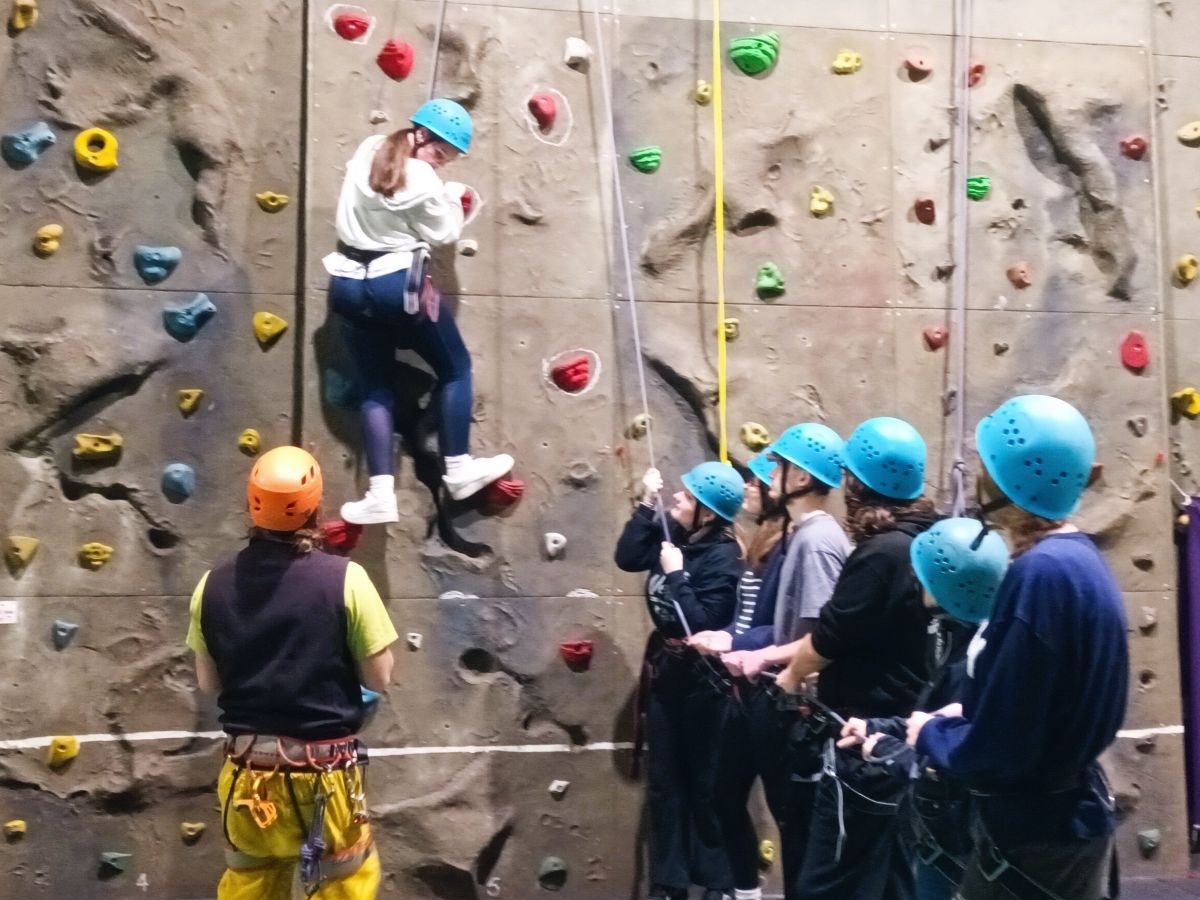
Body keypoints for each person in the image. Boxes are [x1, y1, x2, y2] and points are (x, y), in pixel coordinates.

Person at [908, 395, 1128, 900]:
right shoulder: (1079, 561)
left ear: (1015, 478)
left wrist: (931, 735)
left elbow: (1005, 742)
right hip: (1066, 817)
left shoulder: (1041, 575)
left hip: (1035, 832)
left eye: (987, 464)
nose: (979, 474)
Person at [186, 446, 399, 899]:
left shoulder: (211, 586)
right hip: (323, 776)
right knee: (345, 885)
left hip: (247, 775)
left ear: (251, 505)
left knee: (250, 885)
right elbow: (379, 678)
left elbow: (208, 683)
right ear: (315, 508)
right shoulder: (347, 580)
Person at [324, 98, 513, 523]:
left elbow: (382, 198)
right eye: (441, 152)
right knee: (456, 368)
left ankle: (379, 495)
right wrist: (452, 196)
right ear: (423, 136)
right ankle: (460, 471)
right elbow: (444, 232)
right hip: (396, 286)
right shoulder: (426, 178)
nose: (441, 163)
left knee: (375, 386)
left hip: (347, 285)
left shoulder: (368, 147)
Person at [688, 424, 852, 900]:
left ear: (800, 479)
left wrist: (756, 654)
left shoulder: (816, 541)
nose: (767, 475)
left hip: (792, 703)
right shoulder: (802, 537)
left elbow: (817, 640)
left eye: (778, 466)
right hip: (773, 693)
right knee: (734, 795)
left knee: (793, 821)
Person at [776, 416, 937, 900]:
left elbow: (828, 639)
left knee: (830, 882)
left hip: (863, 739)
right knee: (896, 880)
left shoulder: (882, 553)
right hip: (910, 736)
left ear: (858, 482)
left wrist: (788, 679)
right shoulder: (930, 541)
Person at [837, 517, 1010, 900]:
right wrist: (888, 729)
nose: (915, 579)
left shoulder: (974, 653)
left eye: (923, 573)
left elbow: (967, 751)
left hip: (960, 830)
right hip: (950, 826)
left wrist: (893, 751)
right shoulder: (969, 633)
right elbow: (952, 716)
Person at [615, 461, 746, 900]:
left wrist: (675, 575)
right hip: (669, 672)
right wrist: (646, 506)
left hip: (703, 679)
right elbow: (628, 556)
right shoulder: (676, 536)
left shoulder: (724, 558)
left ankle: (715, 880)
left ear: (708, 513)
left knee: (704, 783)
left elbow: (705, 624)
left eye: (687, 497)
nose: (677, 498)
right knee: (666, 780)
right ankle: (669, 882)